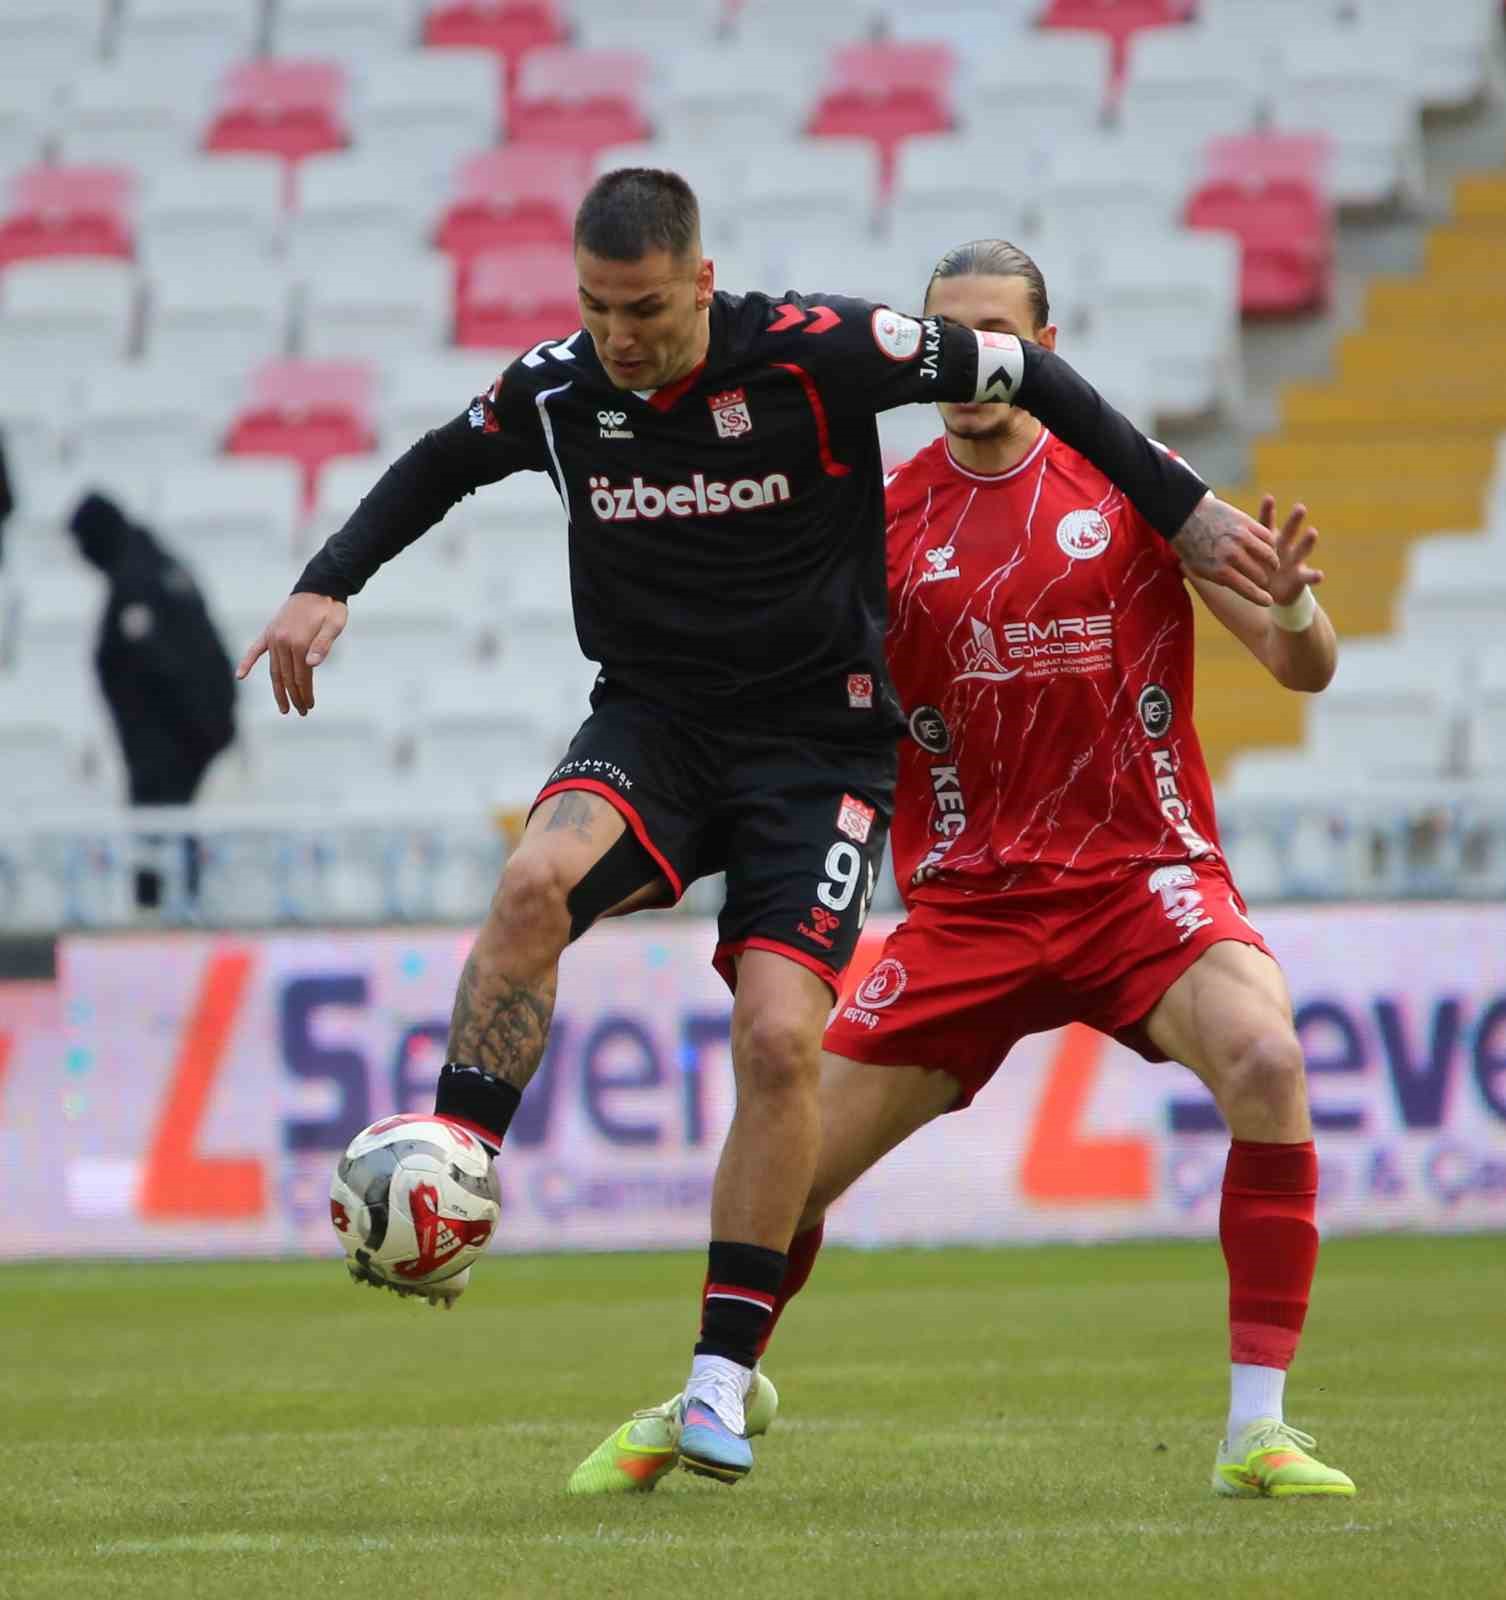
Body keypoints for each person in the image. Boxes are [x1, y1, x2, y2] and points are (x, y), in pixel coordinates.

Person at [237, 171, 1281, 1485]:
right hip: (654, 728)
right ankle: (455, 1166)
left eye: (647, 309)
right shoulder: (561, 387)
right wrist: (325, 583)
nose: (620, 334)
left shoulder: (817, 353)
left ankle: (720, 1379)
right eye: (597, 306)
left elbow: (1024, 372)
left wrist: (1180, 510)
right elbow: (439, 463)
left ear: (702, 280)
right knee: (527, 890)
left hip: (817, 747)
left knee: (780, 1040)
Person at [575, 239, 1354, 1501]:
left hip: (1140, 882)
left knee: (1268, 1059)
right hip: (972, 907)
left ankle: (1256, 1429)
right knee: (791, 1162)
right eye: (954, 335)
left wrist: (1305, 609)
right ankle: (717, 1382)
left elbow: (1297, 665)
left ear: (1046, 342)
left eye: (1003, 333)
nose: (978, 364)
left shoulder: (1134, 483)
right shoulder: (883, 524)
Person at [69, 491, 237, 910]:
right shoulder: (156, 562)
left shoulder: (138, 580)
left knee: (163, 840)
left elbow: (164, 667)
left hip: (174, 745)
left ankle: (163, 926)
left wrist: (191, 734)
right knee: (170, 837)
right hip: (192, 733)